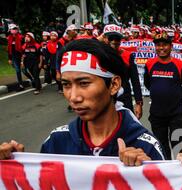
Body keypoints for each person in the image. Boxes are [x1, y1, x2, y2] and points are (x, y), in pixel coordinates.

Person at [0, 39, 164, 165]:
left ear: (114, 85)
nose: (73, 97)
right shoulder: (57, 142)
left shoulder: (145, 146)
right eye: (66, 85)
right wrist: (17, 166)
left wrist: (149, 172)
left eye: (84, 83)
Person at [144, 33, 182, 160]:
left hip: (175, 113)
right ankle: (165, 173)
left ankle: (179, 172)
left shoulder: (180, 65)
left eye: (164, 44)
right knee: (161, 145)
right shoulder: (149, 64)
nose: (161, 48)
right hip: (156, 114)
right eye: (158, 45)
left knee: (177, 145)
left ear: (171, 46)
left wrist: (174, 95)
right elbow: (147, 83)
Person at [103, 24, 143, 117]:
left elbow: (135, 80)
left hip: (125, 98)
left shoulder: (128, 55)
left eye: (117, 38)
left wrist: (139, 103)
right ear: (104, 38)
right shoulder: (98, 54)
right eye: (110, 38)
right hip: (104, 98)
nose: (114, 41)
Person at [7, 24, 28, 91]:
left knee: (24, 70)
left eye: (15, 29)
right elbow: (9, 49)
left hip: (21, 56)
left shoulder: (21, 37)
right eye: (13, 29)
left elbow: (24, 48)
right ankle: (21, 85)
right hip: (14, 57)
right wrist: (10, 58)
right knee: (17, 71)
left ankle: (33, 80)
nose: (14, 30)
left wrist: (23, 57)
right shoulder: (9, 38)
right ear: (10, 30)